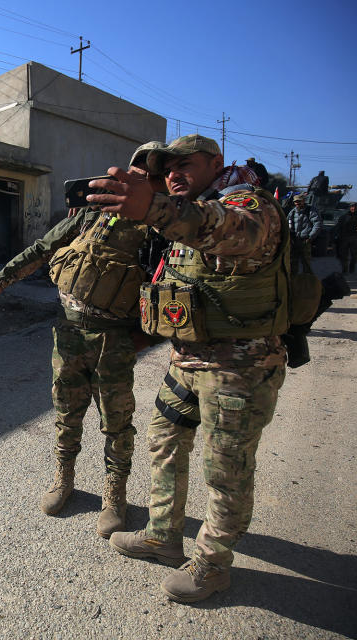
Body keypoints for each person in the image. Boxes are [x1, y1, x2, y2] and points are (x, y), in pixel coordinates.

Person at [87, 134, 290, 603]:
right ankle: (163, 535)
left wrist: (155, 207)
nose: (175, 173)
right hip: (187, 359)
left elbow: (224, 227)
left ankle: (213, 566)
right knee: (163, 440)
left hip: (239, 365)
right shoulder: (186, 211)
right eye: (167, 168)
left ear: (216, 163)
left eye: (185, 164)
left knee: (226, 470)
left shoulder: (246, 202)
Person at [0, 141, 167, 538]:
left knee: (116, 421)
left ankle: (114, 495)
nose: (140, 178)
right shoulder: (91, 212)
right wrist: (3, 278)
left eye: (151, 176)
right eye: (137, 169)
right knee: (67, 412)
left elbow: (166, 291)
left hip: (115, 339)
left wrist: (146, 338)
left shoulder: (160, 227)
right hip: (69, 332)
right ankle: (63, 479)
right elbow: (45, 247)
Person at [287, 195, 322, 274]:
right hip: (294, 241)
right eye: (296, 202)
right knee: (293, 263)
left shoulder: (311, 211)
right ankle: (294, 282)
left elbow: (317, 224)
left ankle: (307, 282)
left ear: (303, 201)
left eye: (299, 201)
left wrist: (310, 237)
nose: (297, 203)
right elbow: (287, 224)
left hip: (305, 240)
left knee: (306, 263)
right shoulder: (292, 212)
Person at [332, 203, 357, 274]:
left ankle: (352, 266)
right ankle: (344, 269)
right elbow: (338, 227)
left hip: (355, 238)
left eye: (355, 207)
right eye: (352, 207)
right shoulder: (344, 216)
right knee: (343, 255)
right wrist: (335, 236)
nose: (353, 208)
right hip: (344, 238)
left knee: (355, 255)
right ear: (350, 208)